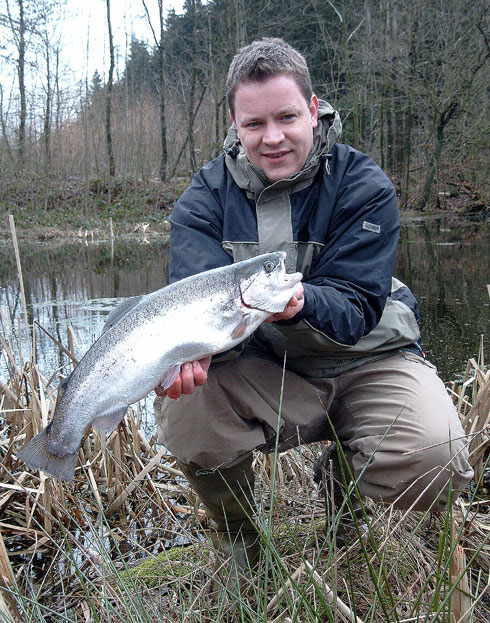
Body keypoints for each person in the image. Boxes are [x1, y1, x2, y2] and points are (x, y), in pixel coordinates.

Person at [153, 38, 473, 575]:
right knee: (186, 409)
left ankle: (342, 488)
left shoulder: (363, 186)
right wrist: (185, 356)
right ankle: (244, 547)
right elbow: (192, 306)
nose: (272, 137)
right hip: (266, 372)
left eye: (287, 117)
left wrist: (299, 304)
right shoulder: (203, 200)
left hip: (369, 360)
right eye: (254, 124)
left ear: (314, 107)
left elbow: (354, 309)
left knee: (435, 458)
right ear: (234, 124)